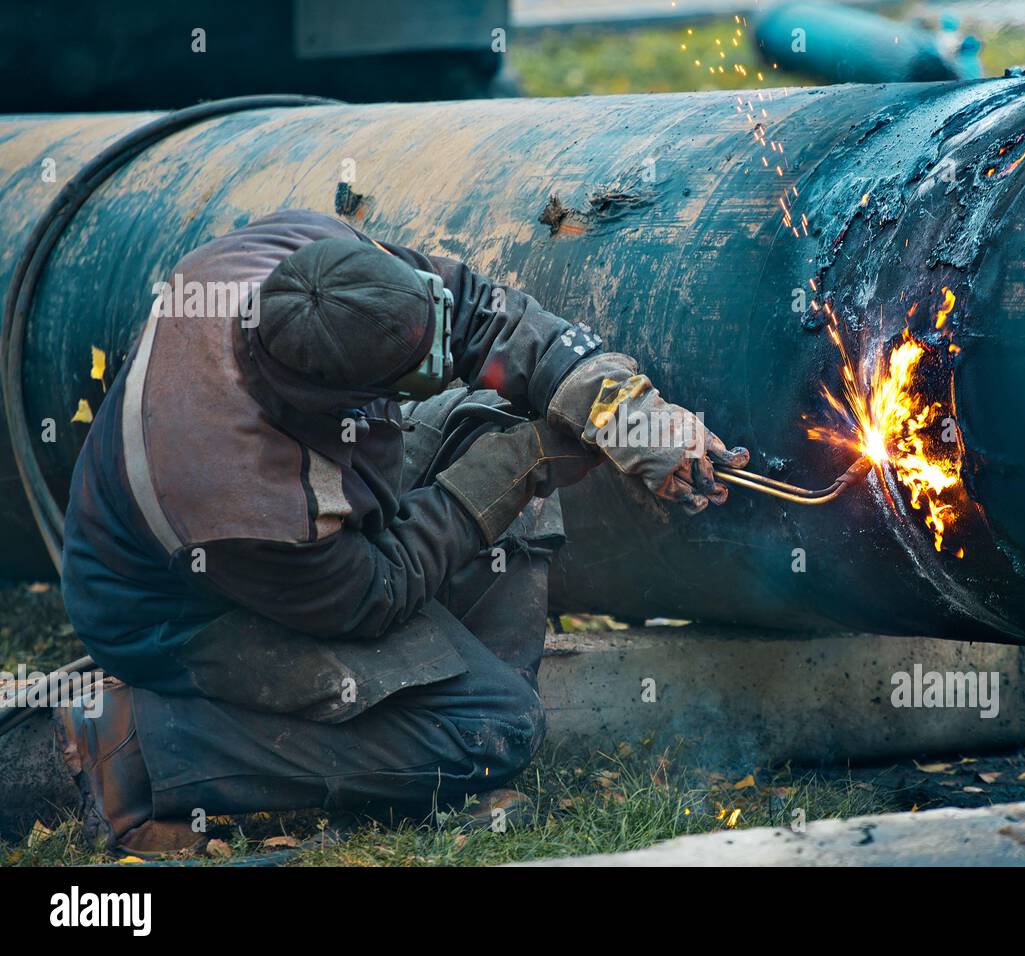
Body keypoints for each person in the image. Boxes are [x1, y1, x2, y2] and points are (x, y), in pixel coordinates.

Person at [0, 209, 747, 854]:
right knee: (494, 725)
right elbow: (374, 591)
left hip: (315, 522)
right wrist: (521, 468)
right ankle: (142, 746)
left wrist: (627, 415)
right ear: (341, 400)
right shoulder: (245, 495)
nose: (443, 355)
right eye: (410, 370)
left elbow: (481, 313)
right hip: (181, 612)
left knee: (501, 424)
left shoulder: (303, 257)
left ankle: (455, 723)